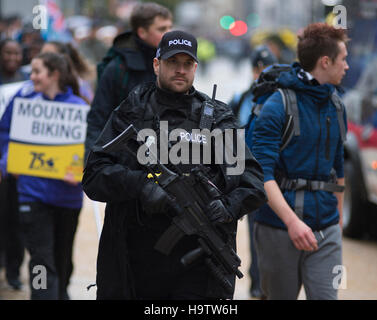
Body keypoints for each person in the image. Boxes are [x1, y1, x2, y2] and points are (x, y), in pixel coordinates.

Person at [82, 30, 267, 300]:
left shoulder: (215, 117)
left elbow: (252, 181)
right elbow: (95, 176)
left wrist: (229, 206)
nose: (180, 70)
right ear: (157, 64)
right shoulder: (134, 110)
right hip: (135, 263)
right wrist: (141, 186)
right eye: (172, 62)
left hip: (198, 266)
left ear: (195, 67)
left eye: (187, 64)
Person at [251, 22, 349, 300]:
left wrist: (337, 222)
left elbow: (337, 165)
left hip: (326, 228)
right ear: (325, 61)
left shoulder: (337, 103)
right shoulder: (276, 106)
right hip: (279, 228)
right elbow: (262, 174)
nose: (347, 66)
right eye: (343, 59)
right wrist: (292, 222)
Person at [0, 52, 88, 300]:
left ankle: (61, 293)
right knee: (40, 259)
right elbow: (8, 136)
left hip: (67, 198)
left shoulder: (79, 108)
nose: (32, 77)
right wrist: (7, 164)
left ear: (54, 75)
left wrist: (82, 172)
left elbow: (90, 151)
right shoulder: (24, 101)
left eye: (37, 71)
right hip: (31, 193)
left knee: (61, 259)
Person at [84, 2, 173, 159]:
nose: (168, 34)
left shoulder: (173, 65)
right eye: (161, 29)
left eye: (169, 27)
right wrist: (92, 164)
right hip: (122, 162)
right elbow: (98, 119)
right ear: (142, 32)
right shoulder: (117, 68)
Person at [229, 44, 276, 299]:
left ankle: (268, 283)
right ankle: (258, 283)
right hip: (248, 179)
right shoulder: (242, 98)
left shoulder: (282, 101)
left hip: (275, 180)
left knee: (272, 236)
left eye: (266, 68)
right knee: (254, 234)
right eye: (259, 68)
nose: (262, 73)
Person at [0, 38, 29, 291]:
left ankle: (13, 270)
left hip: (18, 163)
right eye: (7, 53)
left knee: (16, 220)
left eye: (16, 53)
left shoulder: (28, 83)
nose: (12, 58)